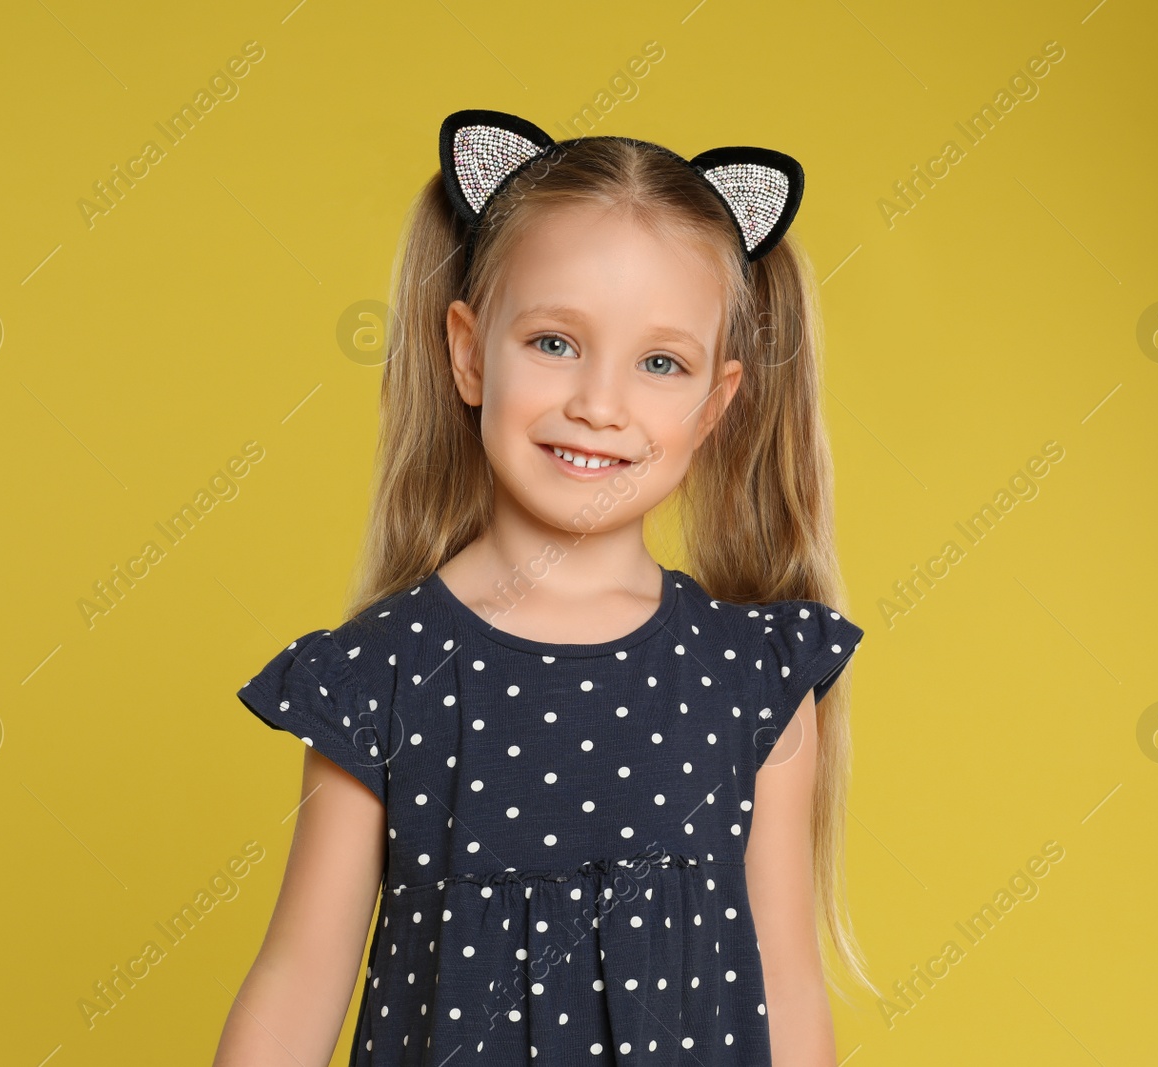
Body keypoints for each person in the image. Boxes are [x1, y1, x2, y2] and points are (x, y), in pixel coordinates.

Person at [214, 109, 872, 1066]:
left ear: (716, 404)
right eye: (556, 342)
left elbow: (788, 984)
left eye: (660, 362)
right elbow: (298, 980)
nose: (598, 403)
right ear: (470, 352)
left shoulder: (754, 676)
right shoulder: (379, 676)